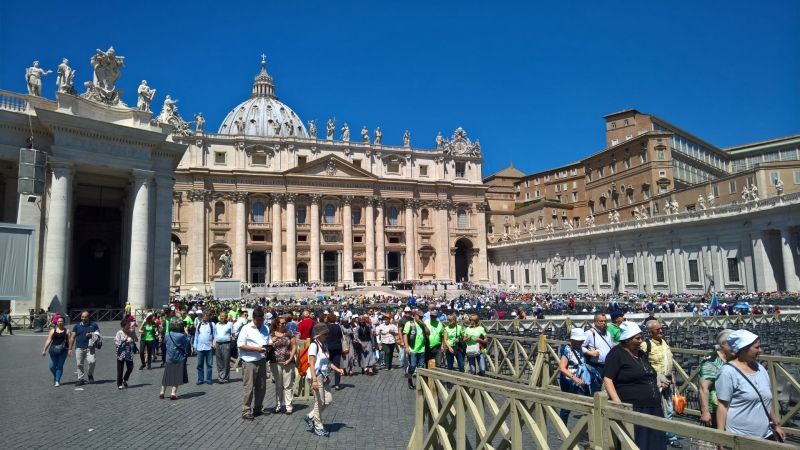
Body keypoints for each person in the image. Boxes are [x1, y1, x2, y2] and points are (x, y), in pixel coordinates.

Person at [603, 322, 666, 450]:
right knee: (637, 444)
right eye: (637, 338)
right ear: (627, 340)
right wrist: (617, 403)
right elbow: (608, 379)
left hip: (653, 407)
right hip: (635, 408)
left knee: (654, 444)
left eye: (641, 337)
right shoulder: (616, 353)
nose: (641, 341)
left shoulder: (641, 354)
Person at [716, 330, 786, 442]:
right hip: (739, 437)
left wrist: (776, 425)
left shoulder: (761, 369)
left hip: (766, 435)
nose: (760, 350)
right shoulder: (727, 372)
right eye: (757, 347)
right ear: (744, 348)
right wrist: (720, 438)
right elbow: (722, 407)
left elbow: (766, 401)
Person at [643, 320, 682, 448]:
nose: (661, 331)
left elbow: (669, 361)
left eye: (661, 328)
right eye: (657, 329)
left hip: (668, 381)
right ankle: (660, 435)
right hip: (655, 383)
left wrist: (672, 376)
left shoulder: (664, 342)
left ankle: (670, 436)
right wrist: (657, 379)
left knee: (669, 410)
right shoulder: (646, 345)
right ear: (650, 332)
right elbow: (643, 364)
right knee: (656, 409)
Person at [304, 323, 344, 438]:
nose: (327, 336)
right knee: (319, 401)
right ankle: (318, 426)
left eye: (327, 334)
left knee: (328, 400)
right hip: (316, 376)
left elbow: (328, 361)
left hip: (324, 376)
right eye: (325, 334)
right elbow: (311, 364)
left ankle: (310, 416)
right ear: (319, 335)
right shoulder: (314, 346)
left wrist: (337, 369)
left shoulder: (324, 345)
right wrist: (315, 380)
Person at [237, 307, 270, 421]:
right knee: (249, 387)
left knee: (261, 386)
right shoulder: (246, 328)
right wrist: (256, 349)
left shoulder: (265, 327)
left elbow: (268, 341)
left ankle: (258, 408)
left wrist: (269, 346)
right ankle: (246, 411)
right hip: (249, 361)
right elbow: (241, 345)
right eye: (258, 320)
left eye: (262, 320)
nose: (260, 322)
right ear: (254, 318)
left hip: (262, 360)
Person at [698, 329, 734, 428]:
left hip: (731, 409)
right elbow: (703, 388)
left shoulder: (734, 358)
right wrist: (705, 412)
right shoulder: (712, 360)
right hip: (715, 409)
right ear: (723, 344)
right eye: (733, 342)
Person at [558, 328, 591, 424]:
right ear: (572, 340)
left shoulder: (580, 348)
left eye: (581, 341)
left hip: (581, 380)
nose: (581, 342)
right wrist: (574, 378)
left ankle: (587, 427)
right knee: (566, 406)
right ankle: (562, 428)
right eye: (578, 341)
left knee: (588, 403)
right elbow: (562, 368)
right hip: (569, 381)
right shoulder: (566, 349)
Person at [269, 315, 296, 414]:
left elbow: (294, 346)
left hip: (288, 362)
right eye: (282, 323)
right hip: (275, 362)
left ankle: (289, 407)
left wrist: (290, 358)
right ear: (277, 324)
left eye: (285, 323)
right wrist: (271, 341)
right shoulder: (271, 334)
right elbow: (266, 347)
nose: (284, 324)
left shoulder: (289, 333)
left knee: (288, 385)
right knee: (278, 385)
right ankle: (278, 405)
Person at [582, 313, 614, 394]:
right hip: (595, 366)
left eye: (605, 321)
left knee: (608, 387)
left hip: (607, 365)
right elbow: (580, 346)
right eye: (601, 321)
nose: (604, 323)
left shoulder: (608, 334)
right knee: (595, 387)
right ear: (595, 322)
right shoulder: (589, 333)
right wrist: (589, 352)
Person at [160, 321, 190, 400]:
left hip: (169, 357)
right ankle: (173, 393)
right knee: (177, 376)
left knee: (166, 375)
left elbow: (165, 343)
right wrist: (186, 332)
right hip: (179, 358)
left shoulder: (167, 334)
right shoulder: (181, 335)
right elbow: (187, 342)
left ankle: (162, 392)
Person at [71, 311, 99, 386]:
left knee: (92, 361)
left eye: (85, 317)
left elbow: (98, 335)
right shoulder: (76, 326)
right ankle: (81, 379)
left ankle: (90, 374)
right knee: (79, 364)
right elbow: (72, 337)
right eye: (82, 317)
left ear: (88, 317)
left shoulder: (94, 325)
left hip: (90, 347)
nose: (83, 318)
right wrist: (70, 348)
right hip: (79, 348)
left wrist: (92, 335)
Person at [404, 310, 430, 389]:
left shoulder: (422, 324)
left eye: (422, 317)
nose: (420, 318)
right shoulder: (409, 323)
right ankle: (409, 379)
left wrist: (424, 325)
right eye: (419, 316)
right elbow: (405, 335)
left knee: (421, 367)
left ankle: (420, 383)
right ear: (415, 316)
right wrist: (407, 347)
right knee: (412, 366)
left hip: (422, 349)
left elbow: (428, 333)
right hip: (413, 349)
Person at [41, 316, 69, 386]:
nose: (60, 323)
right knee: (51, 366)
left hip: (63, 350)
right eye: (59, 321)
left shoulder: (67, 331)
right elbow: (48, 340)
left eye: (61, 321)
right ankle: (56, 376)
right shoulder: (53, 330)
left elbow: (70, 341)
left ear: (64, 322)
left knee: (60, 365)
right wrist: (44, 350)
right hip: (53, 350)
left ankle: (57, 380)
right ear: (57, 322)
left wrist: (70, 349)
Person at [115, 319, 138, 389]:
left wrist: (132, 340)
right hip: (121, 353)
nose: (129, 326)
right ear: (123, 326)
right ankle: (119, 384)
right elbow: (116, 343)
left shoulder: (131, 332)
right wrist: (126, 341)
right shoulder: (119, 333)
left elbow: (136, 339)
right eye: (128, 325)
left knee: (130, 367)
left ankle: (125, 379)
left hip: (128, 353)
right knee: (120, 369)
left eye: (129, 325)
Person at [193, 311, 215, 385]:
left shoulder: (212, 324)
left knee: (209, 365)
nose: (205, 317)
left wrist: (214, 343)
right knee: (199, 365)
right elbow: (196, 336)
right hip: (200, 348)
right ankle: (200, 380)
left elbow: (215, 335)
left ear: (209, 316)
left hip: (209, 348)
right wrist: (195, 346)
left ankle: (209, 379)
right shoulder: (199, 325)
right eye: (204, 315)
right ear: (202, 316)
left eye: (207, 315)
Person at [325, 314, 345, 390]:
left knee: (327, 364)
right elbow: (341, 336)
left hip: (329, 347)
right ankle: (337, 384)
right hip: (337, 347)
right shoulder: (338, 326)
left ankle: (326, 381)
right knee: (337, 365)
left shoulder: (327, 327)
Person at [213, 311, 233, 383]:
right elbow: (215, 334)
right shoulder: (217, 324)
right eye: (220, 316)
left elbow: (233, 334)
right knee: (219, 361)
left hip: (226, 344)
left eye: (223, 316)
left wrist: (231, 341)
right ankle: (221, 377)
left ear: (226, 317)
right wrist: (214, 342)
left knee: (226, 361)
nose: (221, 317)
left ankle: (226, 378)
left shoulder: (230, 324)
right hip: (218, 344)